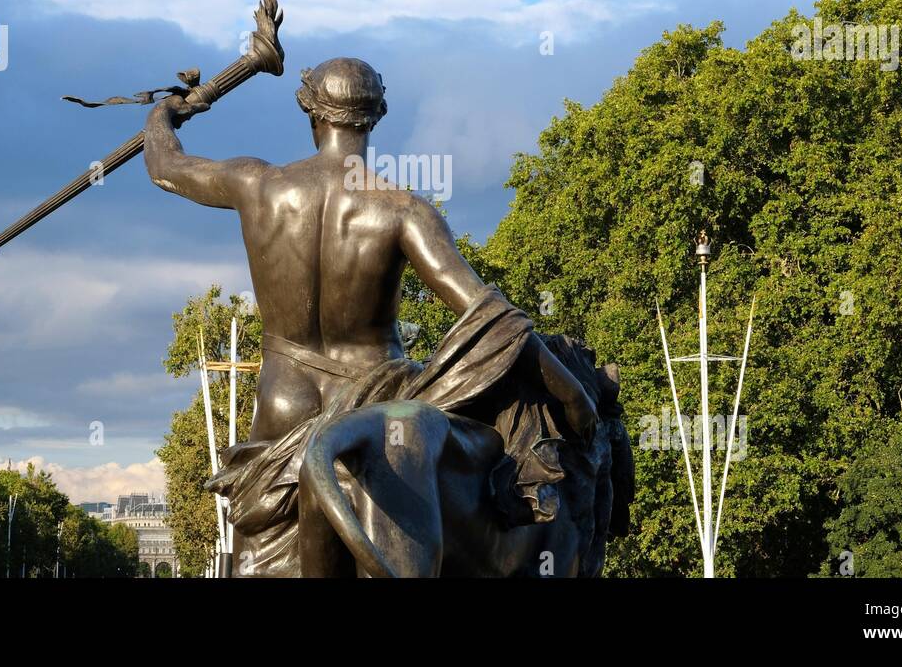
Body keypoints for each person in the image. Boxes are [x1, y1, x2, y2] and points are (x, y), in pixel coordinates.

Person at [143, 57, 597, 574]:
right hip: (377, 395)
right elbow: (490, 317)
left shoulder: (257, 184)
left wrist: (168, 113)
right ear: (376, 116)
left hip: (281, 399)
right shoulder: (401, 209)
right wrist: (570, 392)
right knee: (488, 463)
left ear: (310, 112)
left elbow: (166, 168)